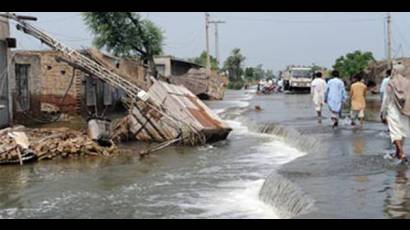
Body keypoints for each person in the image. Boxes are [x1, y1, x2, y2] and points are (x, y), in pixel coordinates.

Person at [380, 62, 410, 163]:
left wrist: (382, 112)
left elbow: (386, 99)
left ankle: (401, 153)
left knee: (395, 132)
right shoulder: (408, 82)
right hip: (405, 111)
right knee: (402, 132)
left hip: (393, 110)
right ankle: (398, 153)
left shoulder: (391, 83)